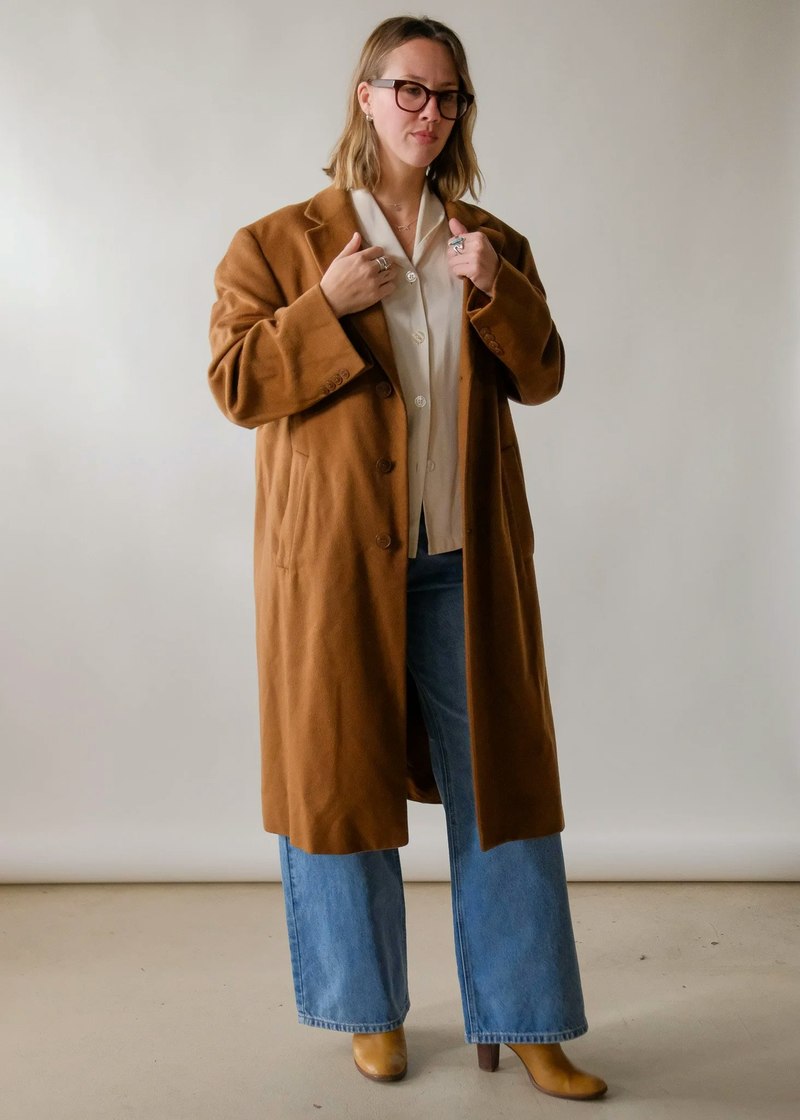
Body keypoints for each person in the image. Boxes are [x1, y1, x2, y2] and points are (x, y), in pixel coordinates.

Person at [208, 14, 608, 1102]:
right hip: (336, 566)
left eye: (448, 95)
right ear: (366, 96)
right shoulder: (275, 245)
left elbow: (543, 374)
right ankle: (367, 1013)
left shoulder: (489, 241)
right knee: (338, 785)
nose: (429, 111)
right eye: (410, 89)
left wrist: (497, 290)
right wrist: (324, 307)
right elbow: (237, 384)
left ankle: (528, 1019)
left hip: (464, 564)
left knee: (505, 794)